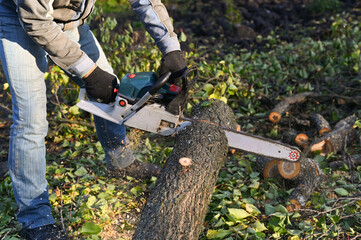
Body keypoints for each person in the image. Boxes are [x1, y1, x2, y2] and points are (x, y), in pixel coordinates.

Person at [0, 0, 186, 238]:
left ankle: (120, 161)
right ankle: (35, 218)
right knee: (31, 120)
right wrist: (88, 72)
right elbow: (36, 21)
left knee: (112, 89)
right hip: (21, 20)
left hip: (70, 22)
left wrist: (171, 49)